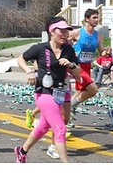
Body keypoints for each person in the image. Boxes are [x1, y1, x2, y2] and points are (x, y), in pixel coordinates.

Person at [14, 16, 80, 163]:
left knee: (43, 127)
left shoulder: (68, 50)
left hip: (59, 93)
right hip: (43, 93)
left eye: (67, 31)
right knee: (61, 129)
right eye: (61, 31)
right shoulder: (40, 48)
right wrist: (29, 71)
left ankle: (21, 151)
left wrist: (70, 65)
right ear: (52, 32)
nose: (65, 34)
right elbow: (21, 58)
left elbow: (78, 71)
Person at [69, 8, 104, 114]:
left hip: (87, 66)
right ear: (86, 19)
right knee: (93, 89)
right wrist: (70, 52)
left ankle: (66, 113)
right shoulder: (78, 32)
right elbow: (64, 41)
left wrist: (106, 52)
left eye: (97, 18)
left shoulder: (98, 35)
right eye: (94, 18)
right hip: (78, 66)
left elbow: (101, 51)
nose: (96, 20)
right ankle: (71, 106)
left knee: (81, 92)